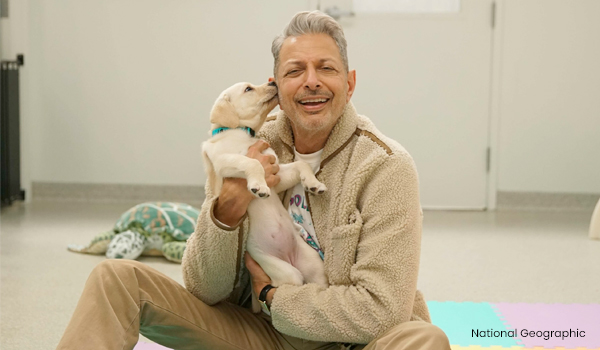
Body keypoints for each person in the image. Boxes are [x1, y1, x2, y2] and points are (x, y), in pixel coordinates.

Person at [56, 11, 451, 350]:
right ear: (276, 89)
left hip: (352, 342)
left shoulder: (386, 166)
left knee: (425, 340)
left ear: (349, 84)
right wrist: (225, 209)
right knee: (116, 278)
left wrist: (274, 298)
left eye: (326, 68)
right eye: (295, 71)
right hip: (260, 335)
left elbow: (382, 312)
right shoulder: (249, 147)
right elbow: (204, 289)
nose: (311, 81)